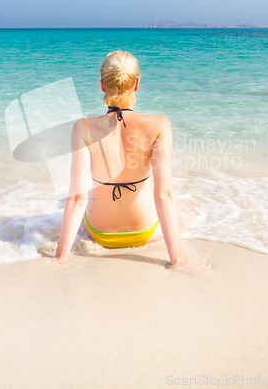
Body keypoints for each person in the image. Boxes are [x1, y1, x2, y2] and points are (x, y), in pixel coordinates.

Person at [54, 50, 209, 271]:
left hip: (100, 232)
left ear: (102, 85)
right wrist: (178, 260)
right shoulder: (159, 124)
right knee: (182, 210)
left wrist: (60, 259)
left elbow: (77, 199)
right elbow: (164, 195)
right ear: (136, 84)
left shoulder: (83, 128)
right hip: (144, 231)